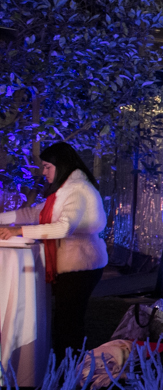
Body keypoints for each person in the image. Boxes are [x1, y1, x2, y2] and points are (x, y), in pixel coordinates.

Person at [0, 142, 107, 354]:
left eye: (48, 167)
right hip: (73, 264)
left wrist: (19, 230)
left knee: (68, 323)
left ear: (62, 165)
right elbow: (33, 214)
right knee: (65, 321)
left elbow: (63, 227)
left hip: (81, 265)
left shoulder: (77, 190)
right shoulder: (64, 190)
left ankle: (69, 368)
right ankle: (67, 366)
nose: (44, 172)